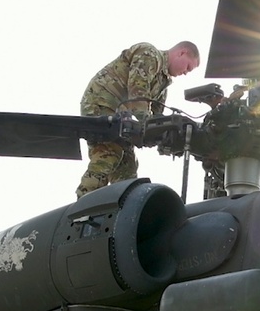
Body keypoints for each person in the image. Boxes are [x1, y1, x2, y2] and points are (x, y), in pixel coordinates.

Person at [76, 41, 201, 198]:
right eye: (188, 67)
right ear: (181, 53)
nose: (185, 73)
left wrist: (160, 137)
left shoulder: (162, 86)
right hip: (103, 103)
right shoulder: (149, 54)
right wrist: (145, 125)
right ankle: (83, 203)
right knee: (109, 154)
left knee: (127, 170)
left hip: (121, 120)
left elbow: (155, 119)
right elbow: (137, 90)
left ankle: (114, 212)